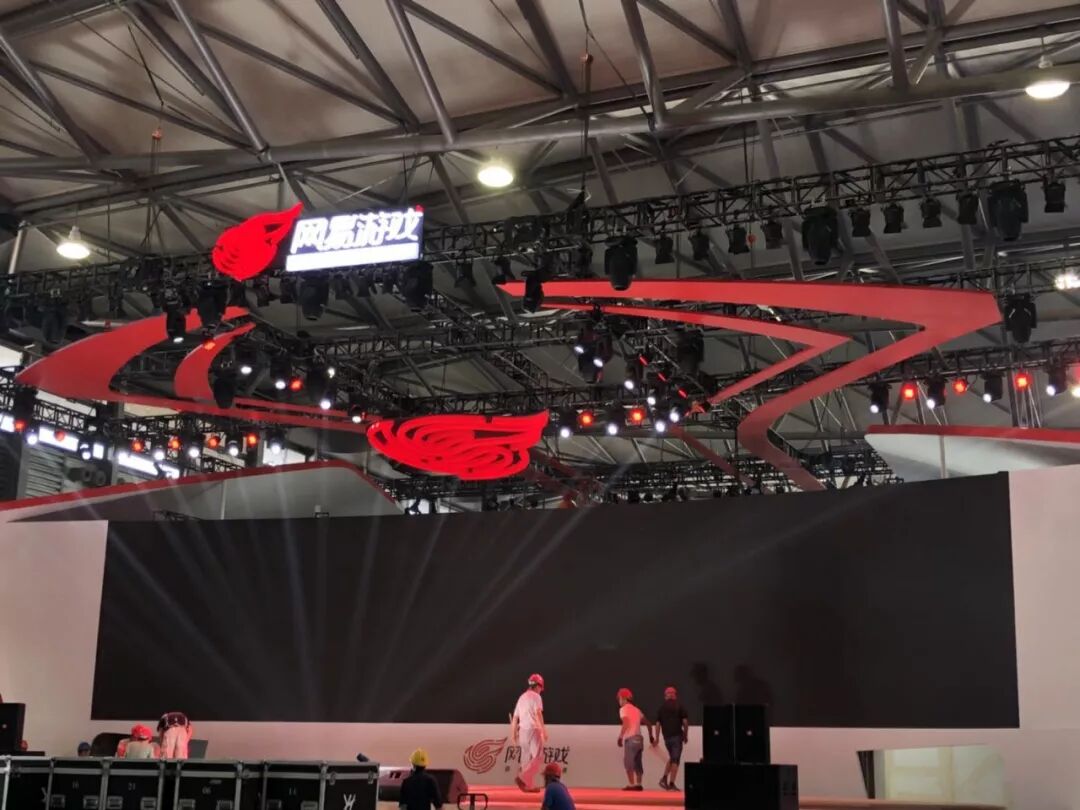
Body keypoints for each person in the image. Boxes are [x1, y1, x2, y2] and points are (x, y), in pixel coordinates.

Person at [510, 673, 547, 792]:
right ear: (538, 685)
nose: (541, 690)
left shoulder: (522, 697)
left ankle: (528, 786)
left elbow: (515, 717)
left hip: (522, 732)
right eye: (541, 688)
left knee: (526, 759)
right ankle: (522, 777)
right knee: (538, 757)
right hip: (533, 729)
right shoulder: (536, 697)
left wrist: (513, 734)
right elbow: (538, 713)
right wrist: (543, 731)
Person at [651, 686, 689, 791]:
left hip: (667, 738)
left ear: (666, 696)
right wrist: (685, 735)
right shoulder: (679, 706)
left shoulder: (661, 708)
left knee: (672, 758)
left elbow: (657, 724)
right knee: (675, 760)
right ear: (675, 695)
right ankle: (671, 784)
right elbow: (685, 722)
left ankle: (664, 779)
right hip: (677, 736)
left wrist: (657, 738)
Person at [615, 688, 645, 791]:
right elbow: (648, 723)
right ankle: (639, 784)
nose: (619, 701)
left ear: (623, 698)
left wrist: (620, 736)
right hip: (639, 739)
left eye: (619, 698)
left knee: (628, 762)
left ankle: (631, 784)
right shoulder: (637, 710)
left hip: (630, 739)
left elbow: (626, 722)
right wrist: (651, 736)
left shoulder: (623, 709)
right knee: (638, 762)